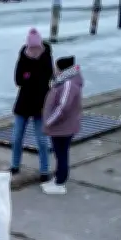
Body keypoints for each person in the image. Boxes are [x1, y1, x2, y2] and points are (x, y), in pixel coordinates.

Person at [10, 28, 54, 181]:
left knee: (42, 140)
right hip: (24, 102)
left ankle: (44, 170)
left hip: (41, 103)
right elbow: (18, 79)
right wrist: (30, 76)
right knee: (16, 137)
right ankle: (14, 165)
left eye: (36, 47)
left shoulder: (46, 56)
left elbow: (47, 77)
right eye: (31, 47)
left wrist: (30, 75)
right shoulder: (23, 56)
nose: (33, 51)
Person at [42, 56, 84, 195]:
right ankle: (57, 178)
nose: (54, 69)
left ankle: (60, 183)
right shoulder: (64, 81)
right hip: (62, 126)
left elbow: (63, 107)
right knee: (59, 154)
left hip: (63, 127)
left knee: (61, 154)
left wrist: (49, 121)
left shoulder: (68, 84)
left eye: (56, 67)